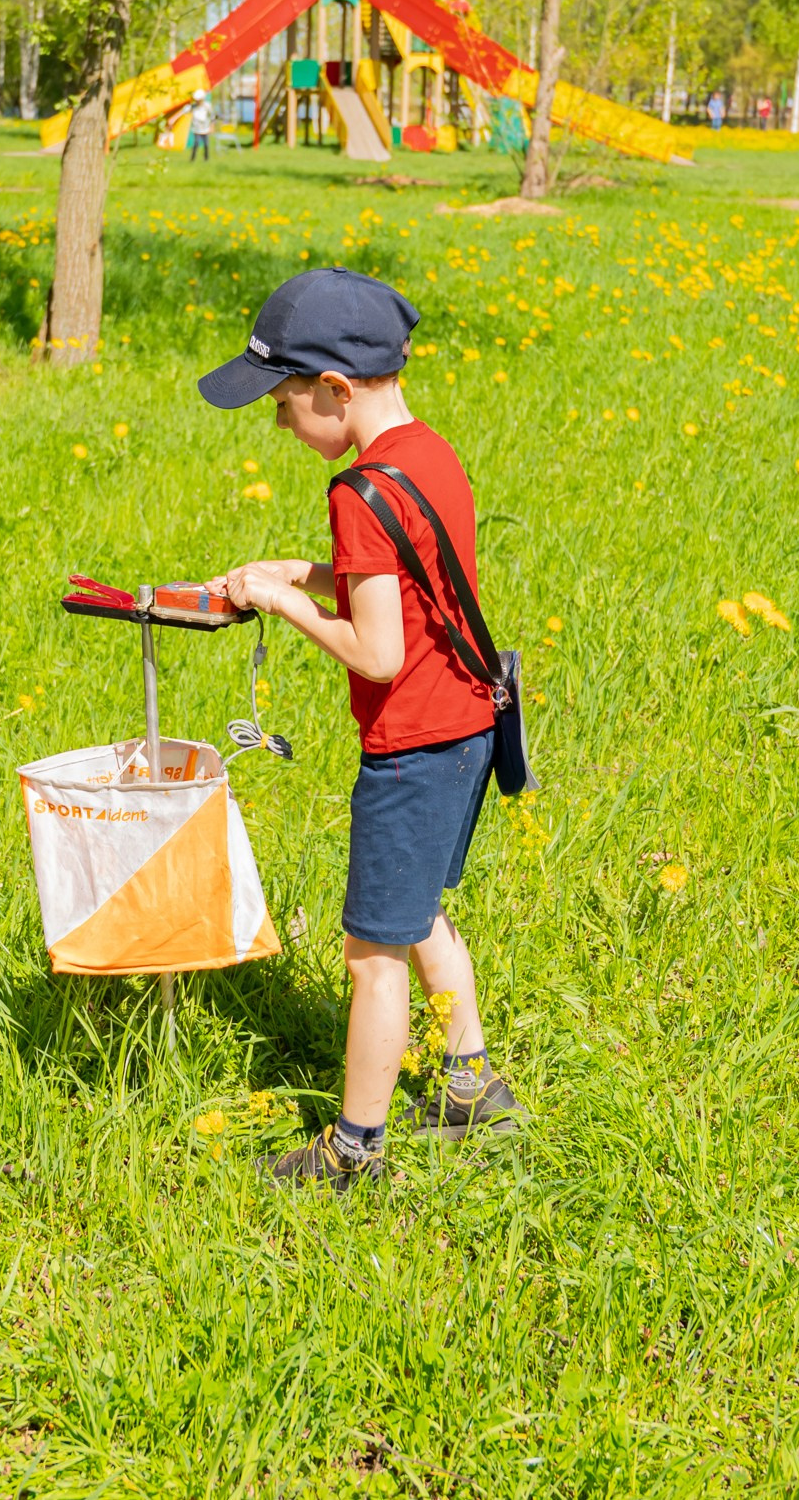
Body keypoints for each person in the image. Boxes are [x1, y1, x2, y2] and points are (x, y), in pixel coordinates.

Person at [198, 269, 525, 1191]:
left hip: (410, 746)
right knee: (418, 911)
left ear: (336, 391)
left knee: (371, 954)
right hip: (466, 726)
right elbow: (412, 583)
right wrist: (307, 571)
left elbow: (378, 653)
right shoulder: (429, 454)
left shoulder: (357, 493)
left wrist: (280, 604)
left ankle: (354, 1151)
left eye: (283, 401)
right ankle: (468, 1086)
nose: (276, 423)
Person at [187, 90, 214, 162]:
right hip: (197, 128)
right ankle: (192, 159)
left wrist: (211, 127)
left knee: (206, 144)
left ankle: (206, 158)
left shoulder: (207, 106)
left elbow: (212, 116)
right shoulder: (193, 107)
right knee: (196, 144)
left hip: (205, 128)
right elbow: (185, 111)